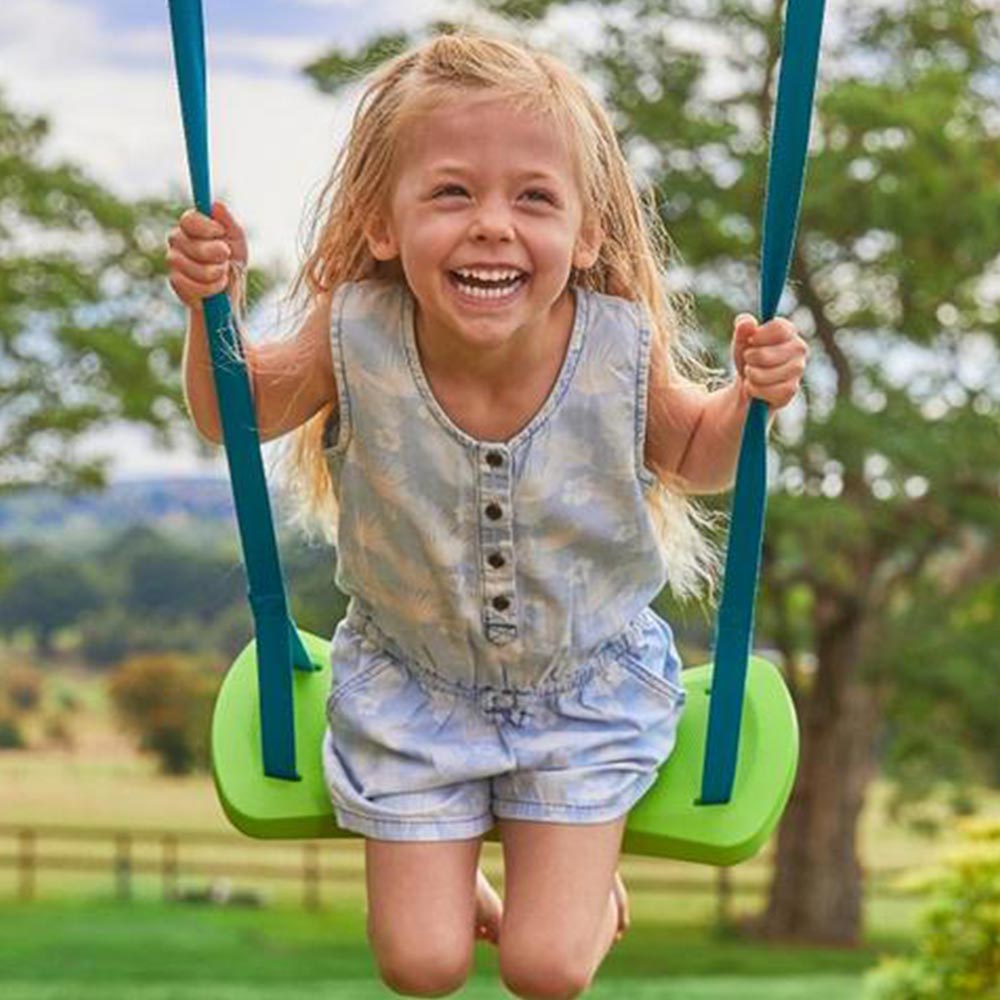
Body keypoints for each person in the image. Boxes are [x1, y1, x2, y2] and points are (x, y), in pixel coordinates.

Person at [166, 28, 807, 1000]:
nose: (492, 225)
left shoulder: (617, 346)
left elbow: (697, 459)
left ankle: (578, 886)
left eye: (534, 198)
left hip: (582, 689)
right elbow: (231, 416)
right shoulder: (354, 329)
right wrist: (212, 307)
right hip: (412, 687)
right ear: (384, 222)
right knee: (419, 965)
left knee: (545, 970)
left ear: (588, 233)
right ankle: (488, 841)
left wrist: (745, 402)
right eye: (452, 192)